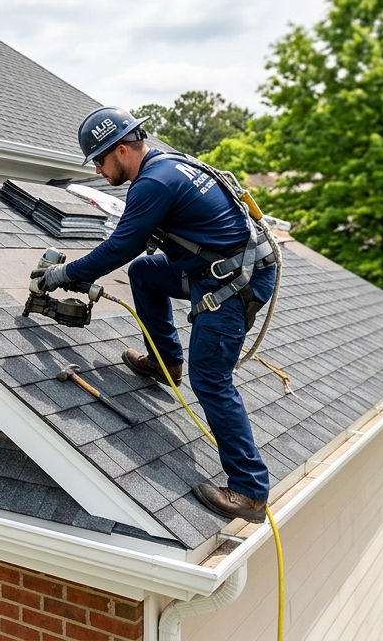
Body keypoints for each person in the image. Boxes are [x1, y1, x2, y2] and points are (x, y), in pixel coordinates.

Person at [31, 106, 277, 523]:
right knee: (145, 273)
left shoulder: (152, 184)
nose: (97, 168)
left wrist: (63, 274)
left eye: (100, 159)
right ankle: (166, 363)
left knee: (212, 379)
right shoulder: (171, 163)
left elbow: (117, 248)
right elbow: (141, 243)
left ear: (122, 150)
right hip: (223, 266)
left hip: (234, 283)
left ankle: (250, 491)